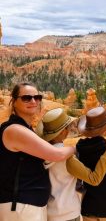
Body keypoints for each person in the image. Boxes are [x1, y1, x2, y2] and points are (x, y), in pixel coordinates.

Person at [0, 82, 75, 221]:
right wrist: (76, 148)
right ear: (14, 101)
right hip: (20, 206)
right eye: (26, 98)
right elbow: (56, 154)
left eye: (37, 97)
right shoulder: (14, 129)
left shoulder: (25, 129)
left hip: (27, 205)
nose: (33, 101)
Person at [36, 107, 106, 221]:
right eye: (67, 127)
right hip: (68, 213)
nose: (69, 129)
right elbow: (94, 179)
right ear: (63, 132)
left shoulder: (42, 154)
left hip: (51, 212)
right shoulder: (67, 158)